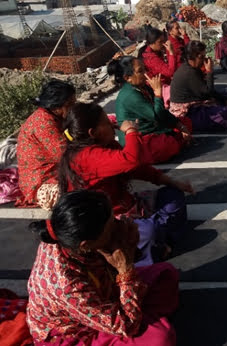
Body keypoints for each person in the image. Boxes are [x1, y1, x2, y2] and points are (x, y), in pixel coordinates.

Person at [26, 190, 179, 345]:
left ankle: (136, 317)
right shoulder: (67, 287)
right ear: (86, 245)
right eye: (112, 225)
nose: (117, 225)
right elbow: (127, 326)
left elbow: (119, 255)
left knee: (166, 274)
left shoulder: (69, 235)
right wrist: (125, 271)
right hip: (77, 333)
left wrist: (131, 245)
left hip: (102, 295)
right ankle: (137, 321)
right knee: (160, 339)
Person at [58, 102, 194, 266]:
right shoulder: (86, 157)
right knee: (148, 231)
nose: (112, 125)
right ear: (93, 133)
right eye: (107, 123)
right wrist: (131, 132)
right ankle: (153, 243)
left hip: (128, 205)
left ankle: (156, 239)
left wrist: (172, 182)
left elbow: (138, 169)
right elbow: (131, 159)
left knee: (174, 196)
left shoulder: (106, 145)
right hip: (108, 221)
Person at [108, 56, 191, 164]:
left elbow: (163, 113)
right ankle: (176, 140)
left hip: (153, 128)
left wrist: (180, 125)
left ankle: (176, 138)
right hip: (138, 139)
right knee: (167, 145)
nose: (146, 74)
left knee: (185, 122)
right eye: (140, 71)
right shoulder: (130, 95)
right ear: (128, 78)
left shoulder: (143, 87)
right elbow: (157, 116)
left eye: (145, 69)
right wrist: (158, 95)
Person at [16, 80, 76, 209]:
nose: (73, 107)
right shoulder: (43, 123)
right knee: (82, 195)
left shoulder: (56, 117)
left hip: (58, 172)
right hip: (41, 182)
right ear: (56, 106)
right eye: (70, 104)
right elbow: (65, 154)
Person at [170, 40, 227, 131]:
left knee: (226, 96)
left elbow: (207, 92)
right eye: (201, 57)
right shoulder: (189, 73)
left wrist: (225, 99)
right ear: (193, 57)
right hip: (188, 112)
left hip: (196, 103)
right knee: (222, 112)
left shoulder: (193, 68)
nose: (204, 60)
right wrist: (209, 72)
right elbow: (207, 93)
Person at [139, 27, 180, 107]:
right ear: (152, 43)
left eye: (163, 41)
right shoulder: (150, 57)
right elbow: (170, 72)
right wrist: (171, 52)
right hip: (159, 87)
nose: (163, 44)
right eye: (160, 42)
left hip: (165, 83)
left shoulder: (157, 51)